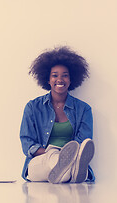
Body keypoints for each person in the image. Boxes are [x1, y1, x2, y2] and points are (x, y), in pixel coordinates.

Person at [20, 46, 95, 183]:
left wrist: (68, 156)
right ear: (47, 80)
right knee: (54, 161)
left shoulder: (84, 109)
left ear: (71, 79)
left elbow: (83, 143)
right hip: (40, 162)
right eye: (55, 75)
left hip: (71, 159)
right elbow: (27, 144)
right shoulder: (32, 107)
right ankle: (73, 172)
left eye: (65, 75)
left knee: (63, 171)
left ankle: (67, 171)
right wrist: (55, 154)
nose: (60, 79)